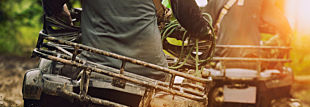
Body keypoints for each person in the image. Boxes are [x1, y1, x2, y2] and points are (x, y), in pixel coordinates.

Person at [42, 0, 211, 79]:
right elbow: (189, 17)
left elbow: (52, 6)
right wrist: (204, 32)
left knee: (46, 69)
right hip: (151, 71)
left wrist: (63, 13)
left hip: (95, 67)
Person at [203, 0, 292, 66]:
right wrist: (284, 34)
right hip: (251, 61)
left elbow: (203, 26)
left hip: (220, 60)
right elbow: (281, 24)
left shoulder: (215, 1)